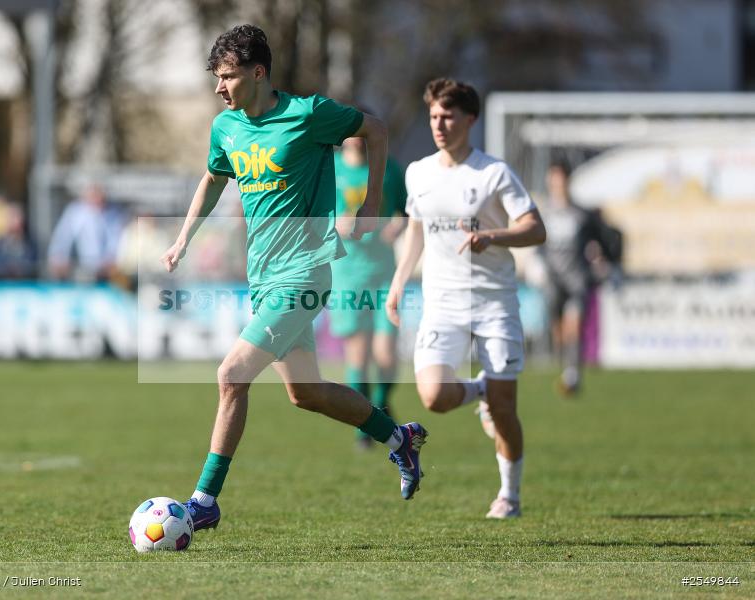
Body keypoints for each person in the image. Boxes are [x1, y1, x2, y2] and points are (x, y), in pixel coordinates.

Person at [160, 25, 429, 532]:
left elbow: (375, 129)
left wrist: (370, 204)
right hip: (262, 279)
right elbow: (214, 179)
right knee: (306, 393)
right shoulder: (227, 128)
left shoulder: (307, 115)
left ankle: (203, 502)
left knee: (231, 375)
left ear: (258, 73)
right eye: (217, 77)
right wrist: (182, 239)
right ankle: (400, 439)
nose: (219, 87)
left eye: (228, 76)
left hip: (304, 272)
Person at [385, 79, 546, 519]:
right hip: (442, 302)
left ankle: (508, 494)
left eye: (449, 115)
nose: (439, 124)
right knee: (434, 395)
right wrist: (399, 281)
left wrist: (493, 236)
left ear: (470, 119)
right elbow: (416, 229)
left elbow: (536, 228)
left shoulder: (493, 173)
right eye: (434, 116)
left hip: (494, 304)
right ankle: (480, 392)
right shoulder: (418, 172)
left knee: (507, 410)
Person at [329, 133, 408, 448]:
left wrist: (399, 225)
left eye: (365, 139)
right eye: (352, 138)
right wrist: (336, 224)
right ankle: (365, 427)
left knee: (386, 354)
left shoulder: (389, 169)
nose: (359, 144)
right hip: (346, 273)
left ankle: (380, 404)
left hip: (384, 273)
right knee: (358, 355)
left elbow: (406, 212)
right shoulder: (329, 168)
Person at [538, 161, 621, 396]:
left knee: (574, 324)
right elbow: (536, 244)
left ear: (567, 181)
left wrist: (604, 261)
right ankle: (566, 363)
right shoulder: (543, 214)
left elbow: (604, 239)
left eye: (560, 180)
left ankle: (572, 373)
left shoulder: (582, 214)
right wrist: (537, 263)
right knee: (559, 330)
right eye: (552, 180)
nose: (557, 185)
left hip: (577, 280)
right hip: (553, 281)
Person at [47, 183, 125, 281]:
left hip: (108, 270)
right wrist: (59, 256)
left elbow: (116, 239)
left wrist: (112, 258)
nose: (97, 199)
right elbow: (63, 237)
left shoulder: (113, 214)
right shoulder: (76, 212)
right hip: (83, 269)